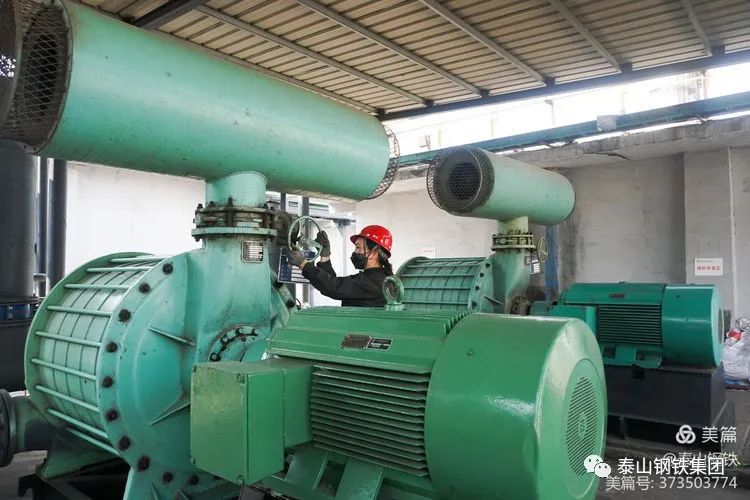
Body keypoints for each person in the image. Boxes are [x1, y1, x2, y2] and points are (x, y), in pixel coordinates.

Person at [289, 225, 393, 307]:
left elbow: (334, 287)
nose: (355, 252)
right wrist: (325, 255)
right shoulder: (373, 278)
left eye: (358, 248)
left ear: (374, 253)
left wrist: (303, 263)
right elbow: (334, 282)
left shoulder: (374, 282)